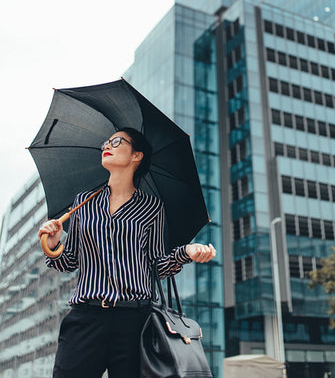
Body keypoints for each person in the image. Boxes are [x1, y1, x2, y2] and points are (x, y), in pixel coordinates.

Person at [38, 127, 216, 378]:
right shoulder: (83, 203)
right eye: (106, 142)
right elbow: (69, 262)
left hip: (135, 322)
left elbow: (156, 265)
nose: (107, 146)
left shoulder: (152, 208)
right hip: (86, 317)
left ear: (137, 156)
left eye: (117, 141)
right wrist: (55, 244)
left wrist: (185, 253)